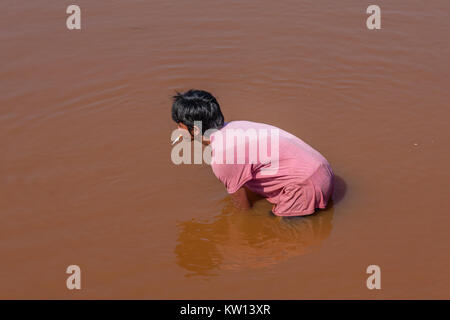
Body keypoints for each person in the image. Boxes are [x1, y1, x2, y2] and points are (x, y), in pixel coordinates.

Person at [171, 89, 334, 216]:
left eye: (179, 126)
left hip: (306, 186)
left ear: (191, 129)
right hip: (322, 169)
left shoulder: (222, 157)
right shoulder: (237, 126)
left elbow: (243, 209)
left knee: (278, 230)